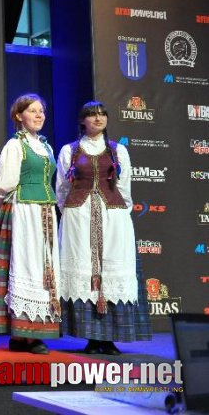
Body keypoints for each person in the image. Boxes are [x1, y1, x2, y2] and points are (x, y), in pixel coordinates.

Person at [56, 101, 151, 355]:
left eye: (102, 115)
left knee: (110, 268)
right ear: (82, 121)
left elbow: (125, 187)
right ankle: (91, 337)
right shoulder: (69, 151)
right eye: (91, 115)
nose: (98, 119)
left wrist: (119, 214)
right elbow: (62, 190)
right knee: (85, 269)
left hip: (113, 217)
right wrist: (73, 213)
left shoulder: (118, 150)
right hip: (79, 216)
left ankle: (109, 338)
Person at [0, 93, 61, 354]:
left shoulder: (46, 147)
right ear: (19, 116)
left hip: (46, 212)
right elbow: (1, 185)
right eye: (33, 111)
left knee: (44, 269)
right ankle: (23, 333)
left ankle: (33, 331)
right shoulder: (15, 146)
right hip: (24, 211)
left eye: (42, 111)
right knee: (26, 265)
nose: (39, 115)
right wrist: (21, 202)